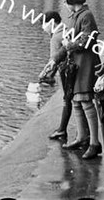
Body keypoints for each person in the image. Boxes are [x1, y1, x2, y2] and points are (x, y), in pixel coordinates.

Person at [59, 0, 102, 159]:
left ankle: (95, 143)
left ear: (72, 0)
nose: (63, 1)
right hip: (78, 63)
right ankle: (82, 137)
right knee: (76, 101)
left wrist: (70, 44)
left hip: (86, 64)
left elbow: (89, 39)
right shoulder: (77, 15)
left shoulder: (86, 16)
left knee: (85, 101)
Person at [37, 11, 71, 139]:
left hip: (64, 71)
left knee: (67, 100)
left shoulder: (56, 37)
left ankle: (62, 129)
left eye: (45, 24)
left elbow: (54, 60)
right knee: (72, 100)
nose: (43, 28)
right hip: (69, 69)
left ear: (52, 22)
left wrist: (46, 74)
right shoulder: (66, 30)